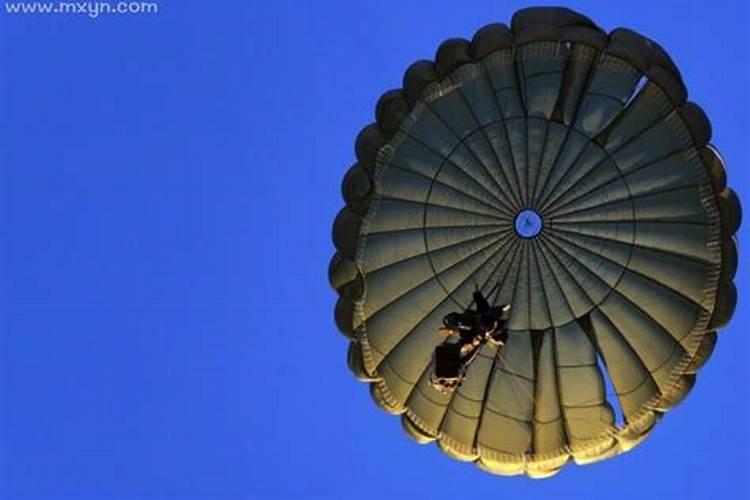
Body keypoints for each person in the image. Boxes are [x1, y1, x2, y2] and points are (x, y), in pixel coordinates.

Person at [430, 290, 512, 393]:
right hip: (478, 328)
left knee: (481, 328)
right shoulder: (457, 363)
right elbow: (466, 358)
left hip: (473, 327)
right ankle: (484, 303)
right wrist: (477, 342)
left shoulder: (451, 361)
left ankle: (486, 305)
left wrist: (456, 333)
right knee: (488, 329)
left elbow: (466, 355)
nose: (450, 381)